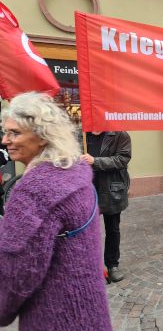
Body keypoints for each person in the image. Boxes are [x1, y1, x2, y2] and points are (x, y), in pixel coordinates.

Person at [0, 92, 112, 330]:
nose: (5, 140)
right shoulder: (75, 172)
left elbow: (17, 275)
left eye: (14, 133)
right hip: (90, 310)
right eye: (5, 132)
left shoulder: (35, 191)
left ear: (42, 137)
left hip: (55, 316)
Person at [81, 130, 131, 282]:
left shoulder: (120, 134)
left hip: (111, 189)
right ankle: (92, 266)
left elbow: (122, 159)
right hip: (88, 187)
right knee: (88, 231)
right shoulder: (83, 134)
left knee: (112, 229)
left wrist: (95, 161)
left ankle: (112, 265)